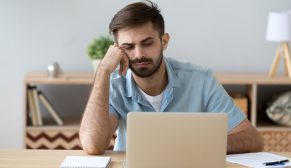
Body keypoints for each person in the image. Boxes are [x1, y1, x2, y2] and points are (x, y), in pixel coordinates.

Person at [79, 0, 264, 155]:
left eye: (147, 43)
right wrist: (103, 70)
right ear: (117, 49)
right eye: (128, 47)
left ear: (164, 41)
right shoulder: (114, 84)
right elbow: (92, 145)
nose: (138, 54)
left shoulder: (201, 80)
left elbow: (252, 139)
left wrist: (197, 147)